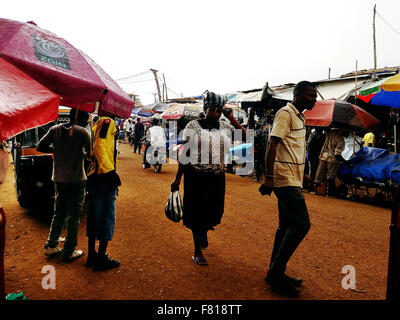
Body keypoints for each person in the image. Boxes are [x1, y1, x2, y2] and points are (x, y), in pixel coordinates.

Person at [171, 91, 246, 266]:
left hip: (217, 178)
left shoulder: (225, 126)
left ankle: (203, 230)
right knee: (197, 214)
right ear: (205, 109)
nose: (215, 113)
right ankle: (197, 250)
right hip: (195, 176)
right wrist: (177, 180)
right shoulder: (193, 126)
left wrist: (232, 118)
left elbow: (244, 136)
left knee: (214, 213)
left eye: (219, 110)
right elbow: (185, 153)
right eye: (212, 109)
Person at [259, 81, 317, 297]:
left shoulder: (300, 117)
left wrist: (305, 174)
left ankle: (275, 272)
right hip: (283, 179)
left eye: (315, 95)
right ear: (298, 95)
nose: (314, 99)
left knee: (285, 226)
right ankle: (276, 273)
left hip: (293, 177)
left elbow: (292, 149)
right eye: (311, 95)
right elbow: (272, 144)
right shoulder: (286, 113)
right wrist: (269, 178)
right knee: (301, 224)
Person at [37, 108, 90, 262]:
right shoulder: (82, 132)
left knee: (59, 212)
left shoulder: (55, 130)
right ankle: (69, 251)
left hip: (58, 179)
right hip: (76, 179)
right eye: (86, 119)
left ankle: (51, 245)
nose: (87, 122)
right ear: (79, 118)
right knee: (74, 215)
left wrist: (57, 150)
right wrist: (82, 154)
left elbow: (40, 146)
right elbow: (90, 154)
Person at [86, 115, 121, 271]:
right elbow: (100, 145)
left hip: (94, 176)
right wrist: (110, 172)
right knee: (107, 215)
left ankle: (92, 255)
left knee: (94, 215)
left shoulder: (98, 122)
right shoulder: (107, 121)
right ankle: (100, 258)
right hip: (104, 178)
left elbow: (96, 147)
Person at [312, 128, 346, 197]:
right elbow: (337, 152)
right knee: (331, 174)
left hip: (323, 156)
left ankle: (316, 189)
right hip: (332, 158)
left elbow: (324, 147)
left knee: (319, 173)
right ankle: (330, 192)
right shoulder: (339, 137)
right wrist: (343, 161)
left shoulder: (328, 135)